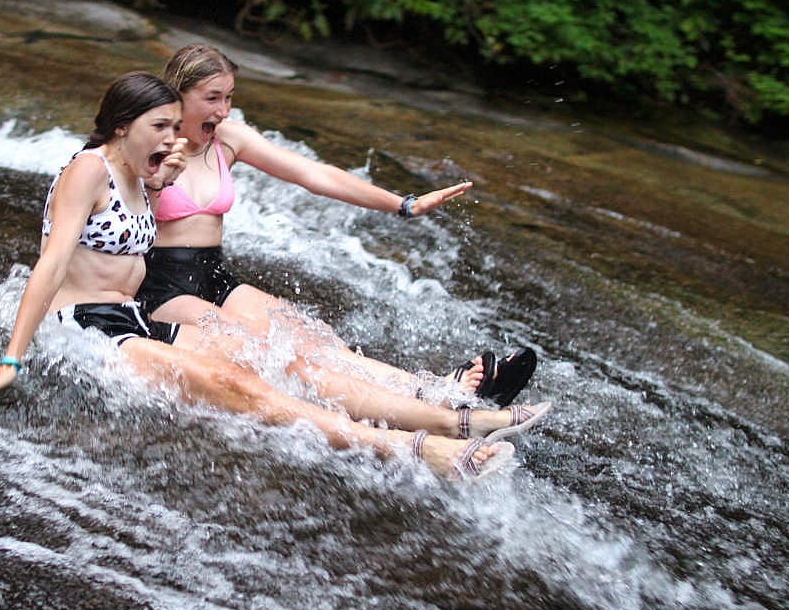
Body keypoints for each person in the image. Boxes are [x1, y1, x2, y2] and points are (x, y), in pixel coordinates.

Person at [0, 71, 551, 480]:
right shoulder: (88, 169)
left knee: (269, 359)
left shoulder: (145, 173)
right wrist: (12, 359)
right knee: (242, 388)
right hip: (85, 325)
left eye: (174, 127)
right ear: (122, 124)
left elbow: (307, 175)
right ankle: (423, 452)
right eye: (161, 126)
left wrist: (401, 204)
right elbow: (51, 263)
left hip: (133, 317)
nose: (172, 138)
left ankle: (458, 413)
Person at [137, 44, 536, 409]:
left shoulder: (228, 139)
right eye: (212, 98)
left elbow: (314, 175)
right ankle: (418, 412)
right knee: (260, 347)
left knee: (313, 338)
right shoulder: (148, 148)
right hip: (162, 287)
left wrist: (404, 205)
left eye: (228, 97)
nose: (223, 110)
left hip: (214, 275)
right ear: (177, 96)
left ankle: (435, 392)